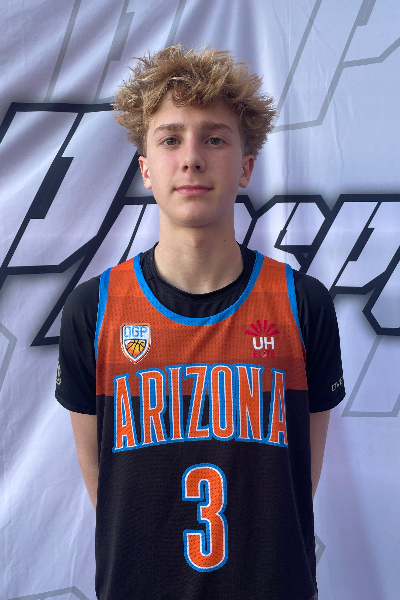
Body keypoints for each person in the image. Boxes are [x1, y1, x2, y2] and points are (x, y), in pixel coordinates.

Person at [55, 45, 345, 600]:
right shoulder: (93, 310)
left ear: (246, 167)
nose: (191, 158)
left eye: (214, 139)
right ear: (145, 168)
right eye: (170, 139)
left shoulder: (301, 304)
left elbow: (296, 484)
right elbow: (106, 490)